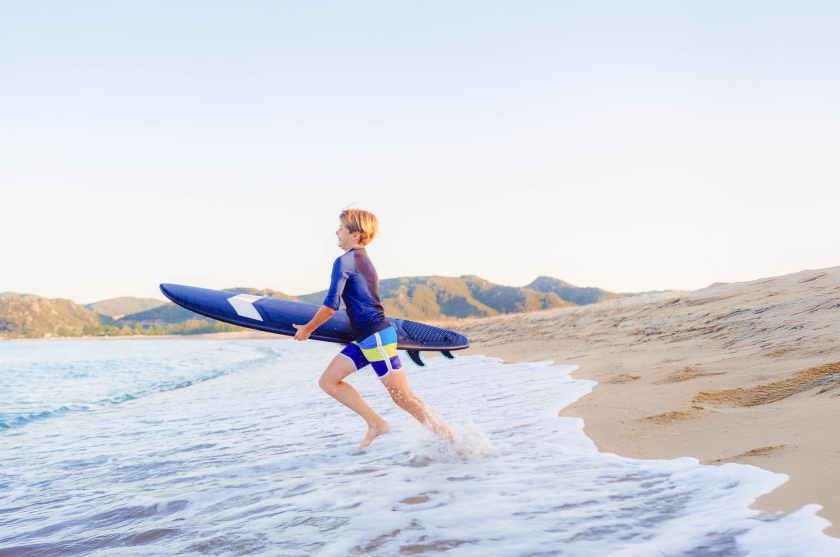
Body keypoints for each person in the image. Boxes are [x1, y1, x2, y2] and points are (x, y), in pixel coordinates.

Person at [292, 208, 452, 449]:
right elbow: (360, 303)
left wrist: (308, 328)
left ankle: (452, 441)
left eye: (341, 229)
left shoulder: (344, 261)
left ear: (355, 234)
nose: (336, 232)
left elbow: (331, 306)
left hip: (375, 338)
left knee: (404, 397)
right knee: (328, 382)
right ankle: (376, 423)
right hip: (364, 338)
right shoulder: (363, 259)